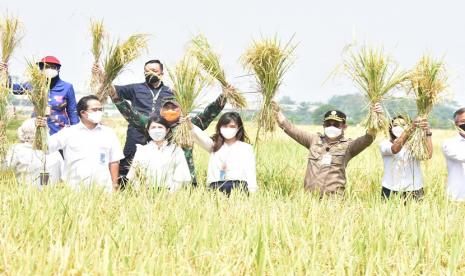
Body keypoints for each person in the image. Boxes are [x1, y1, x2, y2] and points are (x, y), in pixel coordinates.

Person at [106, 84, 230, 186]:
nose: (170, 110)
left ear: (180, 109)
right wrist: (114, 95)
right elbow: (131, 114)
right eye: (167, 107)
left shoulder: (188, 125)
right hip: (158, 183)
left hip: (186, 180)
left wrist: (224, 96)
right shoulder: (153, 125)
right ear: (161, 110)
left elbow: (209, 113)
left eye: (174, 107)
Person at [274, 102, 383, 196]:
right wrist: (277, 111)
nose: (332, 127)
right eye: (328, 123)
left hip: (334, 202)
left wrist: (375, 117)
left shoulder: (348, 147)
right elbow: (291, 129)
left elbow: (367, 139)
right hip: (309, 200)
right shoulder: (314, 140)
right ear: (323, 125)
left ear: (344, 127)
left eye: (336, 124)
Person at [93, 60, 174, 185]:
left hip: (160, 132)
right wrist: (102, 75)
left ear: (162, 73)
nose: (150, 73)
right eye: (147, 71)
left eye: (154, 71)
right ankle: (122, 188)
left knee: (158, 161)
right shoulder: (136, 88)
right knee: (129, 159)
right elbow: (112, 90)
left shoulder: (170, 91)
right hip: (137, 131)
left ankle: (154, 186)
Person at [36, 95, 124, 192]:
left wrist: (115, 185)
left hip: (103, 190)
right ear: (83, 113)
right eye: (95, 110)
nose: (99, 112)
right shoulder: (69, 132)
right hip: (74, 190)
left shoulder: (109, 133)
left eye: (100, 109)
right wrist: (42, 129)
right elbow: (46, 147)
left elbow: (114, 161)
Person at [0, 56, 79, 135]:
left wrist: (76, 132)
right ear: (41, 69)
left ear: (58, 69)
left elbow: (72, 112)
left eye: (52, 67)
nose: (49, 69)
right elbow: (14, 89)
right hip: (37, 128)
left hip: (59, 130)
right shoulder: (33, 84)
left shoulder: (67, 87)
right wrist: (5, 73)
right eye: (46, 67)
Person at [191, 112, 257, 195]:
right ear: (220, 128)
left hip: (238, 188)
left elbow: (250, 171)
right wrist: (189, 124)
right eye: (225, 126)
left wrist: (252, 191)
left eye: (232, 126)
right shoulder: (214, 146)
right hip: (216, 188)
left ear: (239, 128)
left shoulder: (246, 148)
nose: (228, 129)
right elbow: (198, 135)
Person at [127, 116, 191, 191]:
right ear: (148, 130)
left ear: (167, 130)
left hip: (170, 193)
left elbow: (180, 175)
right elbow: (134, 176)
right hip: (145, 193)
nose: (157, 130)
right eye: (153, 127)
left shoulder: (176, 150)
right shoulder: (142, 150)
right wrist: (141, 193)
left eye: (160, 127)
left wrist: (171, 194)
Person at [379, 116, 432, 199]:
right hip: (391, 189)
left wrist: (427, 132)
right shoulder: (385, 144)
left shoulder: (415, 144)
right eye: (395, 125)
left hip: (415, 189)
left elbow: (427, 155)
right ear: (390, 128)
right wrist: (411, 128)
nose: (399, 127)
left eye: (403, 124)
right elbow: (395, 149)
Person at [4, 118, 63, 186]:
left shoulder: (17, 149)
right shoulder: (55, 151)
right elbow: (63, 176)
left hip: (24, 193)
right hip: (51, 193)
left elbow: (5, 169)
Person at [442, 107, 465, 201]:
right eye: (463, 121)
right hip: (456, 197)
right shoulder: (448, 144)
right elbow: (462, 157)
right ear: (456, 124)